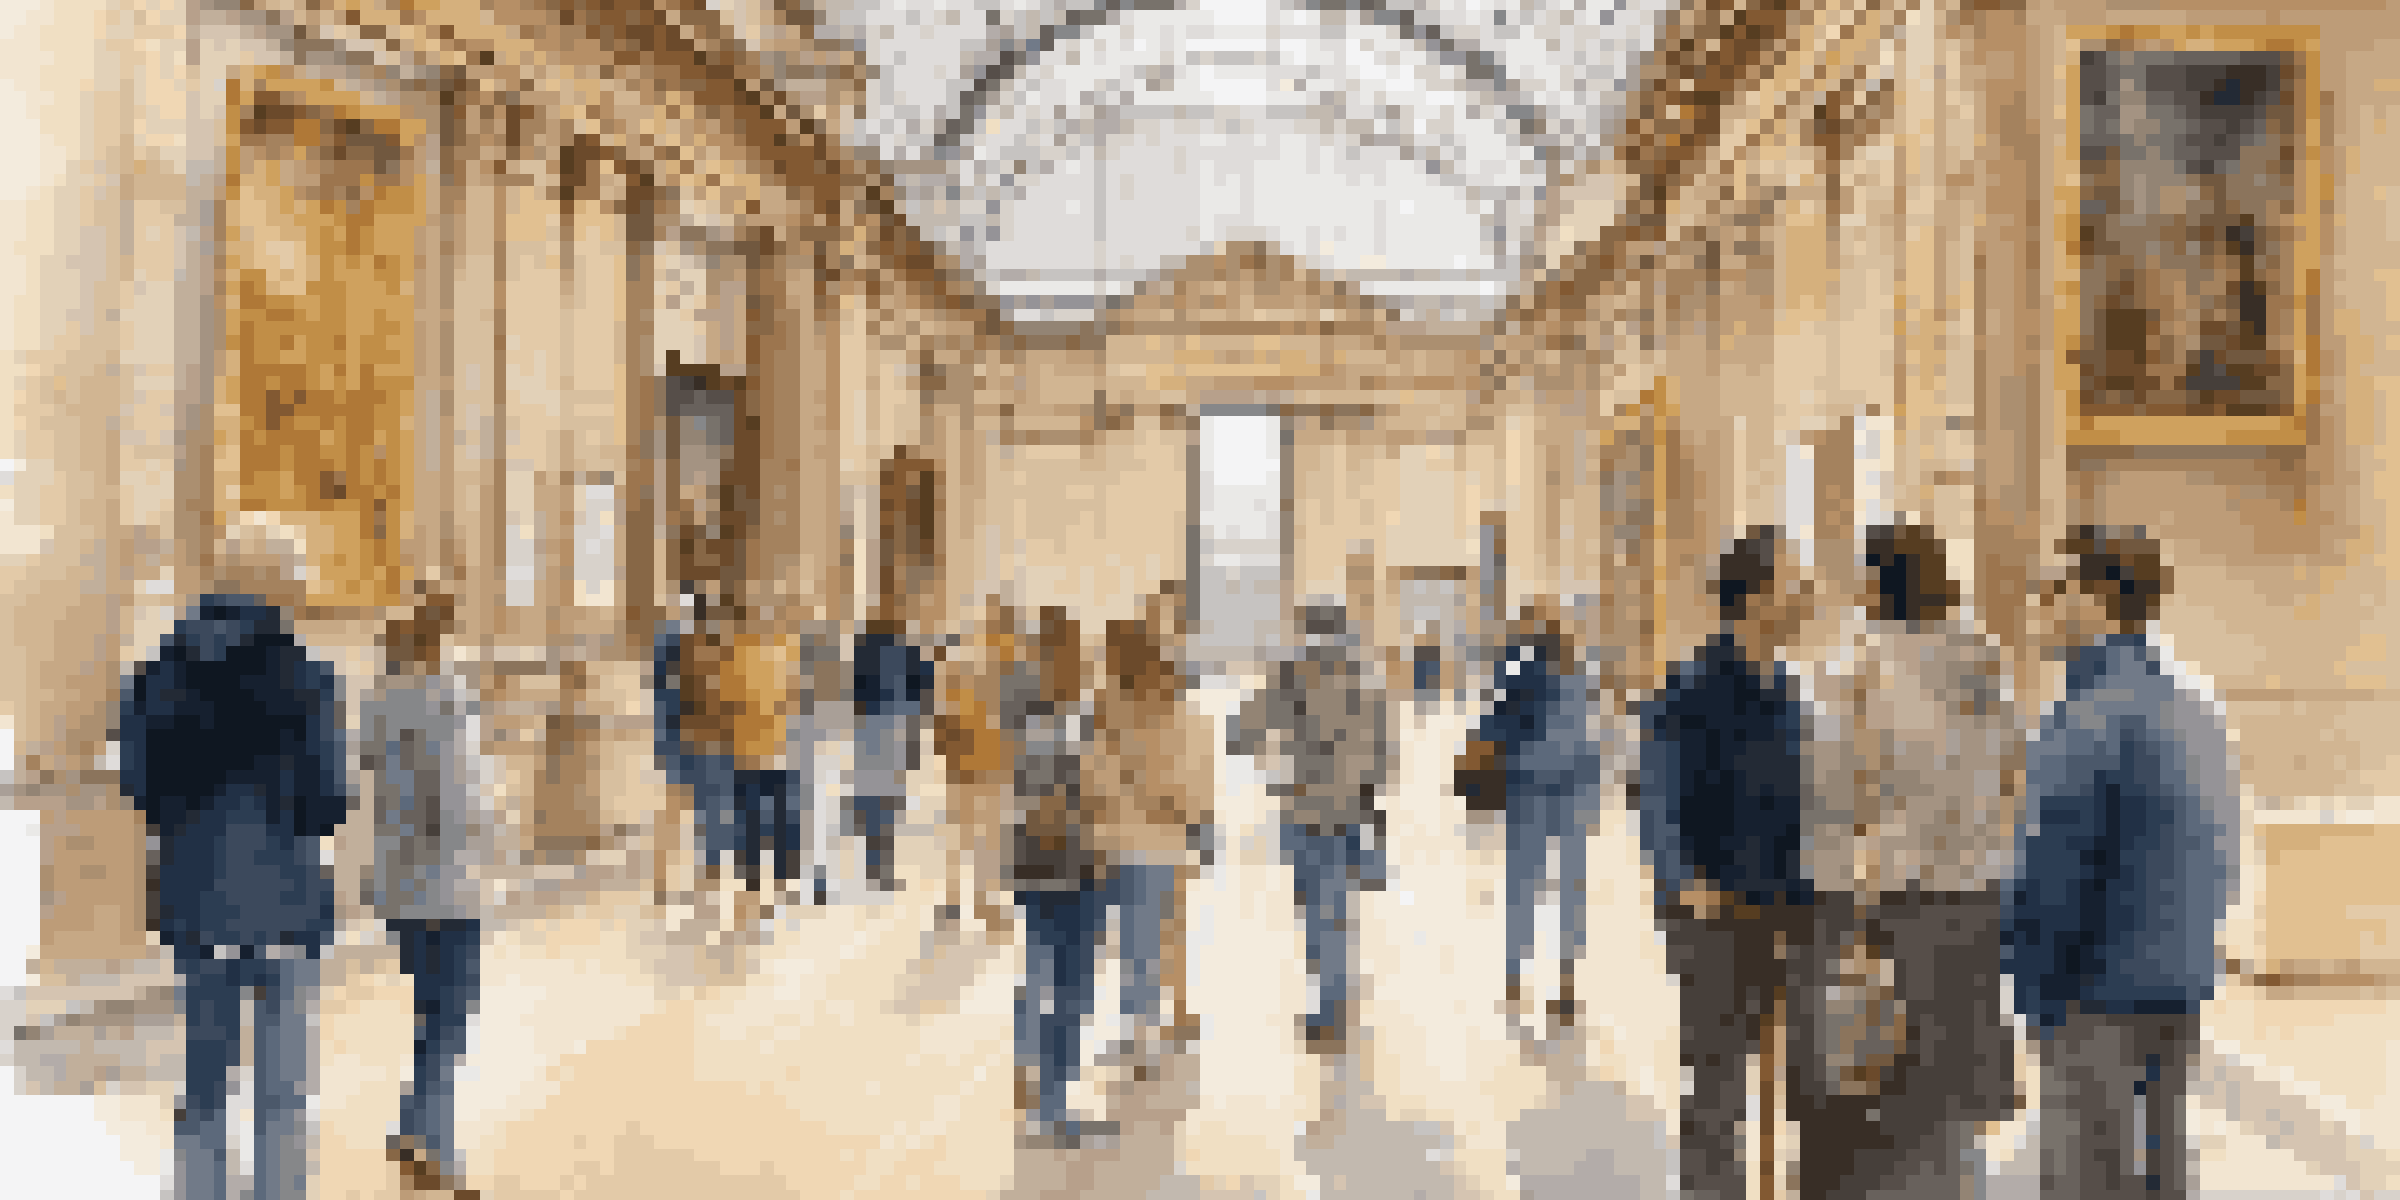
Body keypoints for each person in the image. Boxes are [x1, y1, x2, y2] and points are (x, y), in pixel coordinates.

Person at [2006, 526, 2240, 1200]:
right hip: (2179, 983)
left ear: (2098, 598)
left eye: (2053, 589)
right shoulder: (2196, 703)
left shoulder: (2084, 716)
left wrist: (2032, 990)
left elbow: (2051, 875)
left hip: (2092, 992)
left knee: (2088, 1175)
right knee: (2161, 1172)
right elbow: (2216, 846)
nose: (2038, 604)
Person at [1795, 523, 2020, 1200]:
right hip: (1975, 897)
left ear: (1876, 581)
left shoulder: (1854, 666)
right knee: (1954, 1098)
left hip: (1886, 901)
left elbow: (1830, 794)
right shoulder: (1981, 658)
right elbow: (2012, 771)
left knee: (1876, 1087)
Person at [119, 577, 350, 1200]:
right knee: (282, 1089)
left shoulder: (156, 676)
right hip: (286, 901)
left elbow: (140, 792)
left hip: (197, 900)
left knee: (205, 1080)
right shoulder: (307, 676)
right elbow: (328, 801)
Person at [1636, 527, 1819, 1200]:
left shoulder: (1793, 693)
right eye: (1795, 585)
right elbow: (1653, 795)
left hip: (1792, 914)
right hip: (1715, 921)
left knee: (1814, 1083)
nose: (1807, 598)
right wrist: (1684, 883)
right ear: (1757, 597)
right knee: (1716, 1088)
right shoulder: (1690, 690)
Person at [362, 588, 500, 1196]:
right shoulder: (445, 700)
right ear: (443, 637)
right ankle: (434, 1150)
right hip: (446, 879)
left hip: (397, 881)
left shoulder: (379, 700)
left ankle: (411, 1125)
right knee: (451, 1016)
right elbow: (458, 796)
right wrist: (495, 823)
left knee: (430, 1009)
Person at [1228, 602, 1393, 1056]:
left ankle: (1330, 1013)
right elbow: (1384, 756)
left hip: (1304, 813)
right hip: (1351, 813)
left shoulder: (1291, 677)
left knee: (1318, 917)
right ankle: (1336, 1000)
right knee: (1334, 914)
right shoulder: (1365, 682)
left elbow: (1240, 732)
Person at [1470, 599, 1609, 1036]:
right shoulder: (1579, 677)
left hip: (1528, 791)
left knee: (1524, 887)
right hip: (1562, 796)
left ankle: (1517, 982)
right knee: (1566, 891)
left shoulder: (1520, 672)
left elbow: (1494, 724)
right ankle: (1563, 987)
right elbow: (1590, 744)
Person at [1093, 597, 1215, 1069]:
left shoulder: (1110, 713)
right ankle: (1175, 1014)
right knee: (1171, 929)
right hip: (1174, 839)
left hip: (1128, 843)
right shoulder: (1186, 714)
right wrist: (1198, 826)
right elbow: (1202, 777)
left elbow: (1096, 777)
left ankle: (1140, 1036)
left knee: (1137, 944)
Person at [1005, 607, 1112, 1143]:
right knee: (1069, 989)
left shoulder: (1028, 713)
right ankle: (1052, 1105)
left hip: (1038, 863)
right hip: (1070, 868)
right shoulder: (1066, 722)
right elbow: (1071, 800)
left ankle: (1035, 1080)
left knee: (1043, 976)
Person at [853, 616, 935, 894]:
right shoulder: (898, 643)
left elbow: (858, 687)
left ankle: (875, 863)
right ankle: (876, 865)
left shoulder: (873, 642)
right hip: (887, 723)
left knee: (880, 796)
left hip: (881, 723)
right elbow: (922, 687)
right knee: (883, 798)